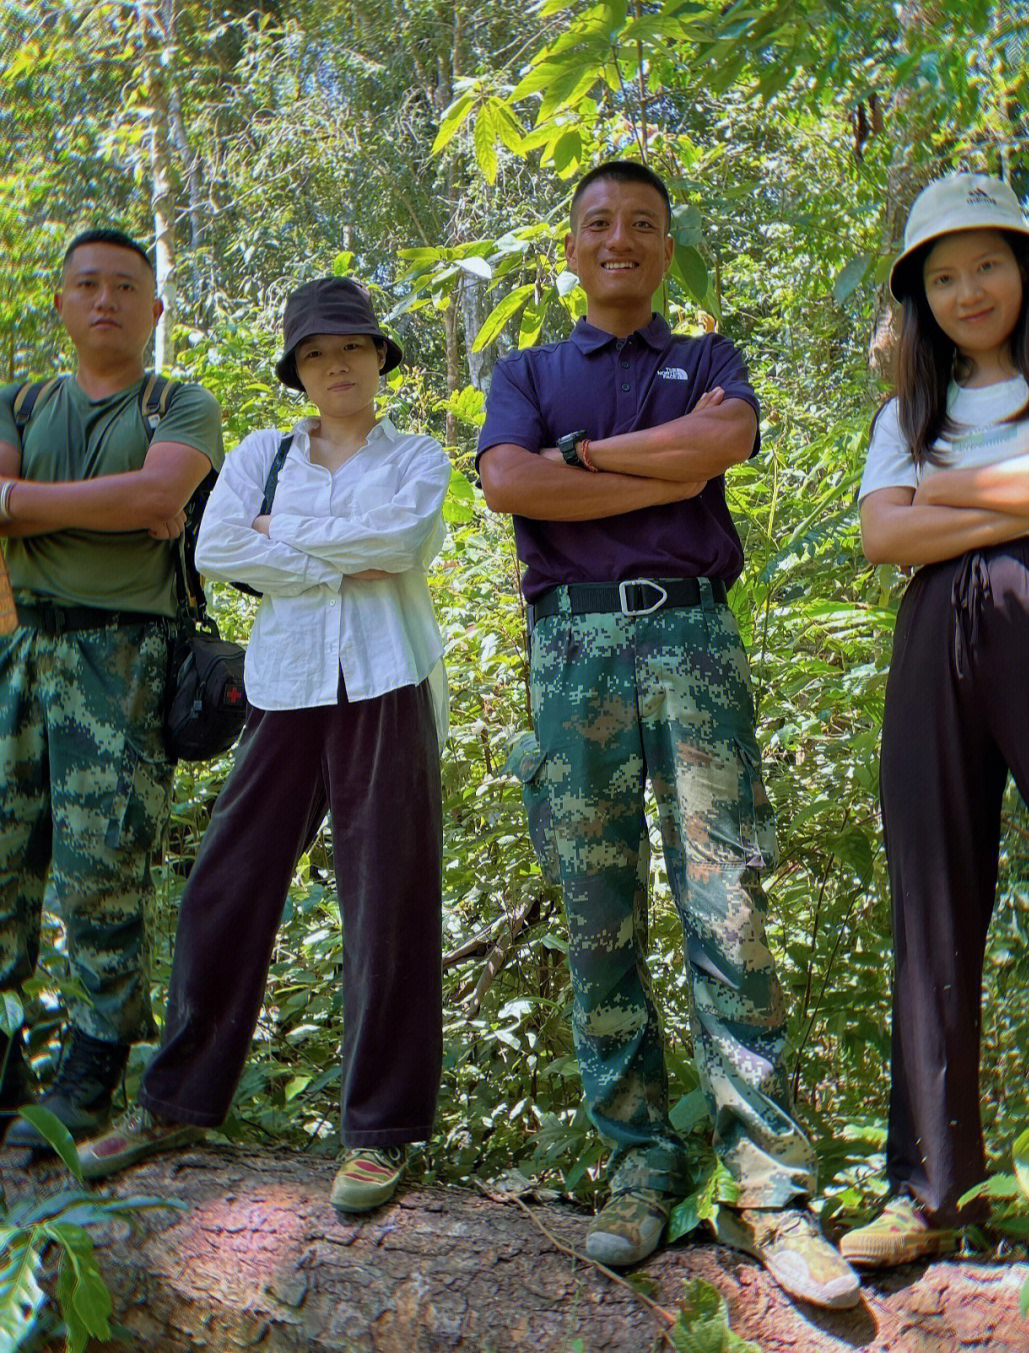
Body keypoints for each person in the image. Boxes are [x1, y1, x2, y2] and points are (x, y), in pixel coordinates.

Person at [477, 159, 860, 1310]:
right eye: (600, 221)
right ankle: (638, 1163)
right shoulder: (530, 368)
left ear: (665, 242)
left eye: (642, 223)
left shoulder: (709, 359)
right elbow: (507, 483)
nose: (621, 239)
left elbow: (720, 446)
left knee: (726, 902)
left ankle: (769, 1187)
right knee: (598, 911)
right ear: (573, 241)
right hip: (574, 648)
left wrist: (582, 465)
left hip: (692, 640)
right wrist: (646, 464)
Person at [78, 276, 449, 1213]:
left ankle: (380, 1132)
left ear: (379, 359)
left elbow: (400, 544)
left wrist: (286, 537)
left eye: (353, 349)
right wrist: (327, 544)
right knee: (227, 882)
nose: (338, 365)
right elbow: (218, 551)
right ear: (299, 371)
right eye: (319, 354)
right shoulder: (257, 455)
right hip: (284, 687)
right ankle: (177, 1099)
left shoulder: (418, 459)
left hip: (386, 680)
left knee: (388, 897)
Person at [842, 172, 1029, 1268]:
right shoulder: (906, 415)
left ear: (1026, 271)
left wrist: (945, 495)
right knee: (933, 896)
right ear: (919, 298)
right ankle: (932, 1193)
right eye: (941, 275)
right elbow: (881, 540)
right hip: (934, 637)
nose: (967, 289)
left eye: (986, 263)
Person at [0, 230, 224, 1149]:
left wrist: (21, 506)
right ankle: (6, 1064)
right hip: (19, 646)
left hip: (123, 656)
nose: (105, 301)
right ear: (59, 303)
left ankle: (90, 1070)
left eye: (126, 287)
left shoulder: (180, 402)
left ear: (154, 308)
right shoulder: (19, 399)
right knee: (5, 862)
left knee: (103, 869)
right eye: (86, 285)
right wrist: (120, 502)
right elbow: (134, 504)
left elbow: (157, 498)